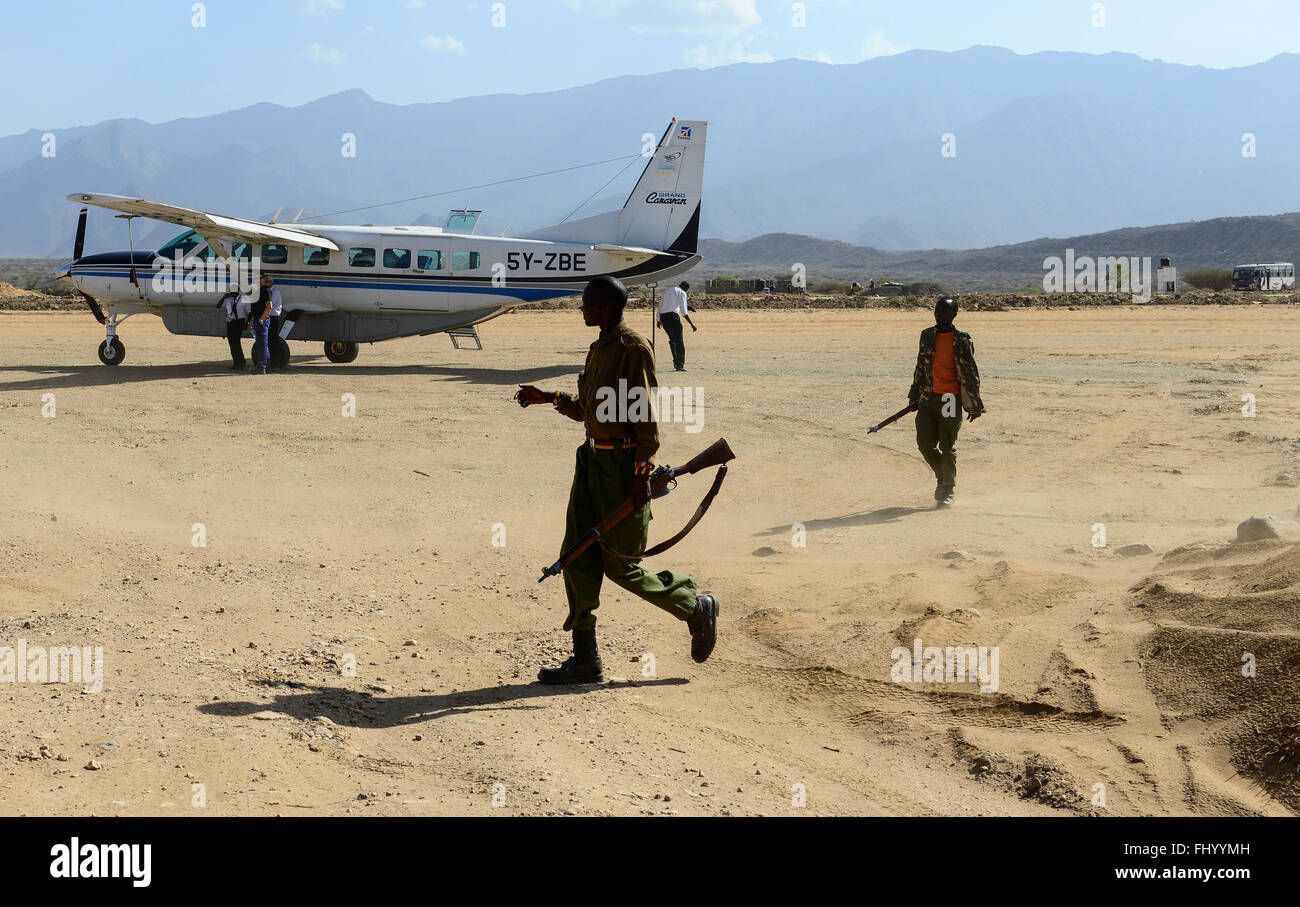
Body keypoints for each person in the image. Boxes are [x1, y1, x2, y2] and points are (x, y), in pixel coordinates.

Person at [515, 276, 719, 684]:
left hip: (622, 468)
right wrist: (549, 398)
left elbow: (644, 414)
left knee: (622, 564)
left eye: (588, 304)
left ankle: (693, 606)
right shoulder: (601, 347)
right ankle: (585, 660)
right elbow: (595, 410)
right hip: (591, 463)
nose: (582, 310)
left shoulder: (631, 348)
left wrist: (642, 473)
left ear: (607, 306)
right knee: (576, 555)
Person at [907, 296, 984, 507]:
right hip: (927, 397)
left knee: (948, 445)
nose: (939, 315)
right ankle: (943, 475)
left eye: (944, 311)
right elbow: (920, 365)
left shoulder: (962, 340)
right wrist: (914, 390)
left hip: (951, 398)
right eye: (937, 311)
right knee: (924, 443)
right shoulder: (927, 336)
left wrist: (974, 403)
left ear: (954, 314)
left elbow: (971, 372)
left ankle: (947, 488)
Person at [656, 280, 697, 372]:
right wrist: (692, 324)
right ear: (685, 288)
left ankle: (675, 361)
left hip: (663, 317)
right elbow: (683, 310)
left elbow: (661, 305)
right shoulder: (682, 292)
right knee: (679, 342)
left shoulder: (667, 291)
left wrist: (658, 320)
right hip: (673, 317)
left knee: (672, 339)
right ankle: (680, 365)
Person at [217, 285, 249, 370]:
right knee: (232, 342)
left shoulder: (243, 299)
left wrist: (247, 323)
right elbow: (218, 306)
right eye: (230, 291)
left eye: (232, 291)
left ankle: (240, 362)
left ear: (237, 292)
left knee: (236, 342)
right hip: (230, 322)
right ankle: (237, 362)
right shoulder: (228, 300)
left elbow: (250, 312)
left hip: (240, 322)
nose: (230, 293)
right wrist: (224, 297)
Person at [261, 273, 286, 369]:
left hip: (272, 317)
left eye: (266, 282)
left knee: (272, 340)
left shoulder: (275, 292)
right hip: (269, 316)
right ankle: (271, 361)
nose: (265, 283)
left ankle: (275, 361)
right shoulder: (269, 291)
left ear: (271, 283)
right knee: (269, 339)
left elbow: (269, 306)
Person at [251, 283, 272, 375]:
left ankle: (262, 366)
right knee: (261, 344)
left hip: (261, 320)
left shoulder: (265, 291)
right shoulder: (256, 291)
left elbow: (269, 306)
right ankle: (265, 366)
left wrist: (261, 319)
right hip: (257, 319)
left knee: (262, 344)